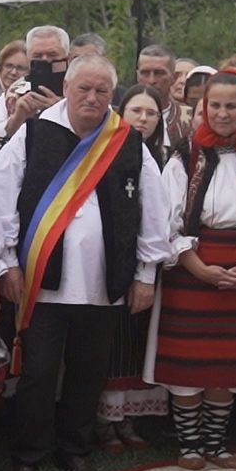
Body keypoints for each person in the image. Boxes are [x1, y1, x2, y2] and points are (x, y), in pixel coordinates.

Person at [0, 55, 171, 471]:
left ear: (114, 95)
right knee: (38, 374)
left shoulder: (126, 140)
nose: (92, 98)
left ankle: (76, 450)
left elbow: (154, 210)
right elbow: (0, 200)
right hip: (40, 283)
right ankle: (27, 455)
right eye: (83, 89)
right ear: (67, 87)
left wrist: (146, 273)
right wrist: (7, 264)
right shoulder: (32, 134)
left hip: (104, 284)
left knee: (90, 374)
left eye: (102, 91)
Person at [146, 67, 236, 468]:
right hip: (194, 269)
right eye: (215, 105)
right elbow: (167, 221)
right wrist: (201, 269)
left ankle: (216, 443)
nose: (223, 113)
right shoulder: (183, 154)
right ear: (203, 107)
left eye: (232, 105)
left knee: (228, 364)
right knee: (191, 365)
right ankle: (190, 444)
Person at [95, 85, 172, 450]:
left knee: (137, 342)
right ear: (120, 113)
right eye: (136, 111)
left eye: (151, 113)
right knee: (111, 344)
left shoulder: (166, 158)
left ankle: (131, 419)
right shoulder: (103, 151)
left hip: (148, 261)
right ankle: (106, 421)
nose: (143, 119)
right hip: (111, 259)